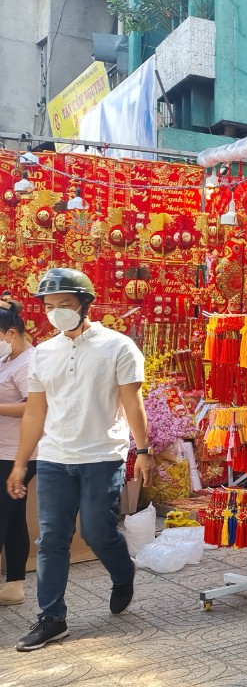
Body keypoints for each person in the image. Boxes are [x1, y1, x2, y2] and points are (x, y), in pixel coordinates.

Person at [6, 269, 154, 652]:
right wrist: (22, 462)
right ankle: (51, 618)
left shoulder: (117, 346)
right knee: (52, 537)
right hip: (55, 457)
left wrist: (144, 450)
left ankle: (123, 573)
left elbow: (131, 402)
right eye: (50, 307)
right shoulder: (44, 354)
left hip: (101, 456)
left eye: (65, 305)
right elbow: (35, 412)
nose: (56, 313)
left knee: (96, 531)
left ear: (84, 304)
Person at [0, 298, 34, 606]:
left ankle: (14, 584)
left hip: (17, 452)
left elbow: (33, 408)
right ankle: (14, 585)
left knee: (4, 514)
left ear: (10, 333)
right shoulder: (7, 359)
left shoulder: (29, 362)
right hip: (4, 449)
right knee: (12, 517)